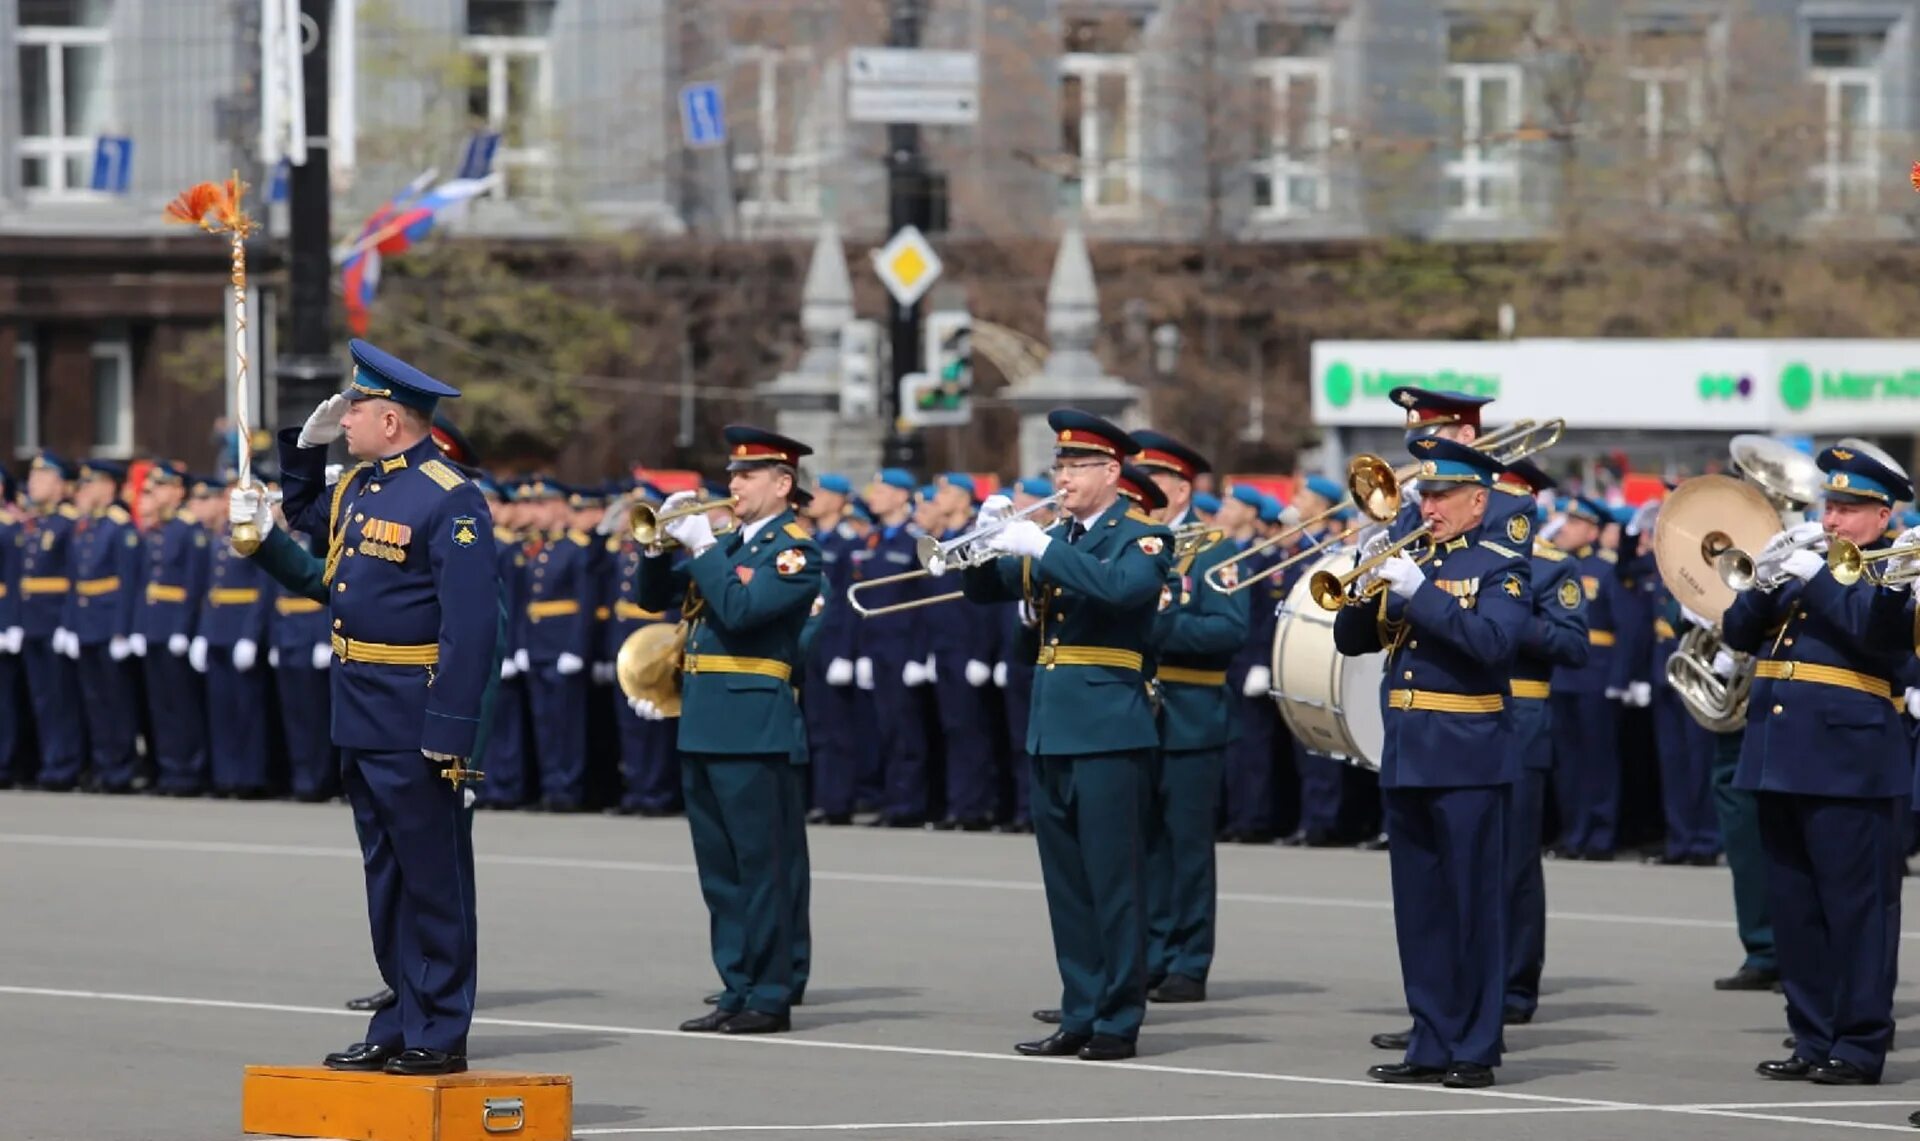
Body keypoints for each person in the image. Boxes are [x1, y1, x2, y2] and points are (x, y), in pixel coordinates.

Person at [274, 338, 499, 1076]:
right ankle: (400, 1015)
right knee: (386, 876)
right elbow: (308, 514)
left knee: (433, 876)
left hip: (414, 711)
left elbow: (472, 626)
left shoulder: (449, 496)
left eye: (356, 408)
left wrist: (451, 728)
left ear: (394, 419)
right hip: (361, 706)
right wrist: (301, 454)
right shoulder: (363, 488)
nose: (345, 419)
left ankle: (440, 1023)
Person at [962, 409, 1173, 1063]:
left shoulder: (1139, 538)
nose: (1063, 476)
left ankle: (1118, 1017)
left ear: (1112, 472)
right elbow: (980, 591)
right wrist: (982, 538)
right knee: (1069, 885)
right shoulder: (1056, 536)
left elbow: (1120, 591)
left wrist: (1041, 547)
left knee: (1114, 880)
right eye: (1059, 465)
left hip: (1110, 729)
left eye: (1076, 465)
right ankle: (1080, 1008)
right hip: (1052, 728)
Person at [1333, 435, 1526, 1090]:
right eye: (1426, 494)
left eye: (1442, 495)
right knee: (1419, 909)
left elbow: (1495, 644)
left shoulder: (1503, 564)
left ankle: (1474, 1045)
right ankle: (1430, 1036)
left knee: (1472, 907)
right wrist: (1363, 578)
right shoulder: (1411, 557)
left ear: (1478, 501)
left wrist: (1422, 592)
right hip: (1410, 749)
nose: (1429, 504)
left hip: (1469, 749)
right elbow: (1352, 640)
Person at [630, 425, 823, 1036]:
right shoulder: (732, 548)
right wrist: (659, 547)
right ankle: (737, 984)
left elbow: (742, 614)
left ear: (782, 483)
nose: (731, 485)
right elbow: (649, 599)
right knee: (721, 871)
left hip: (755, 727)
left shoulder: (793, 552)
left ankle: (769, 992)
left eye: (746, 475)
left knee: (761, 868)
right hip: (704, 722)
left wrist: (704, 548)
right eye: (731, 475)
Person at [1729, 445, 1911, 1086]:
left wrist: (1823, 576)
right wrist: (1765, 580)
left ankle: (1859, 1045)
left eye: (1849, 509)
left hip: (1851, 764)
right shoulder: (1808, 569)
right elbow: (1737, 634)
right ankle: (1811, 1035)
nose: (1832, 519)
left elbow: (1879, 638)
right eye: (1829, 506)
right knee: (1796, 912)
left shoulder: (1894, 572)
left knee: (1857, 914)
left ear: (1882, 515)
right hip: (1778, 760)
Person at [1134, 432, 1247, 1004]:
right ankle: (1150, 954)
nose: (1143, 492)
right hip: (1135, 714)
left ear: (1181, 489)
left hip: (1189, 714)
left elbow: (1229, 630)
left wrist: (1158, 629)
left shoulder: (1213, 549)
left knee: (1186, 847)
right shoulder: (1137, 543)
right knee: (1142, 844)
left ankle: (1188, 960)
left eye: (1154, 483)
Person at [1548, 496, 1629, 859]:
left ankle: (1600, 834)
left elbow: (1625, 627)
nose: (1567, 528)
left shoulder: (1608, 569)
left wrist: (1620, 678)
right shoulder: (1558, 566)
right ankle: (1573, 832)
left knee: (1598, 760)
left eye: (1576, 523)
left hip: (1596, 674)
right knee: (1568, 762)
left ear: (1593, 530)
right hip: (1562, 675)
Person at [65, 460, 143, 792]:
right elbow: (75, 579)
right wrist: (69, 624)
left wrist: (122, 630)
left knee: (116, 701)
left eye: (91, 484)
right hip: (86, 623)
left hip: (110, 623)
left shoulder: (119, 526)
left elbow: (129, 582)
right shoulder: (86, 526)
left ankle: (121, 768)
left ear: (109, 487)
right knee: (94, 701)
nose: (84, 491)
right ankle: (102, 764)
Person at [135, 461, 212, 796]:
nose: (157, 494)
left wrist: (184, 628)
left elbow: (195, 585)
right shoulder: (160, 530)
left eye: (163, 487)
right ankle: (169, 769)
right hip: (155, 626)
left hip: (176, 628)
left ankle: (189, 771)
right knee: (161, 705)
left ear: (178, 491)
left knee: (182, 705)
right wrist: (139, 626)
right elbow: (145, 583)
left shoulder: (188, 530)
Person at [21, 451, 86, 790]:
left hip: (56, 620)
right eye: (33, 477)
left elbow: (76, 578)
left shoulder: (68, 523)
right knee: (42, 700)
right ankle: (48, 761)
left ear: (61, 484)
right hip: (33, 621)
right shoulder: (36, 522)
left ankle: (64, 765)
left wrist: (67, 622)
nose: (34, 483)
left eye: (43, 477)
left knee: (61, 700)